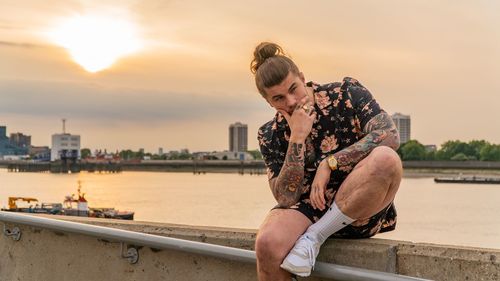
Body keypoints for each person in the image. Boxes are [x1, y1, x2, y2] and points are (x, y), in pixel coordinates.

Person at [251, 42, 402, 281]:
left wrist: (330, 163)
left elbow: (389, 135)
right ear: (269, 102)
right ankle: (311, 236)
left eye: (294, 88)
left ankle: (315, 237)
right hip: (307, 212)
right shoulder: (269, 133)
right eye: (279, 98)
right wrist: (297, 138)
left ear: (302, 78)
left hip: (358, 211)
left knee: (387, 158)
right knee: (267, 244)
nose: (290, 101)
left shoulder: (346, 93)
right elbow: (285, 199)